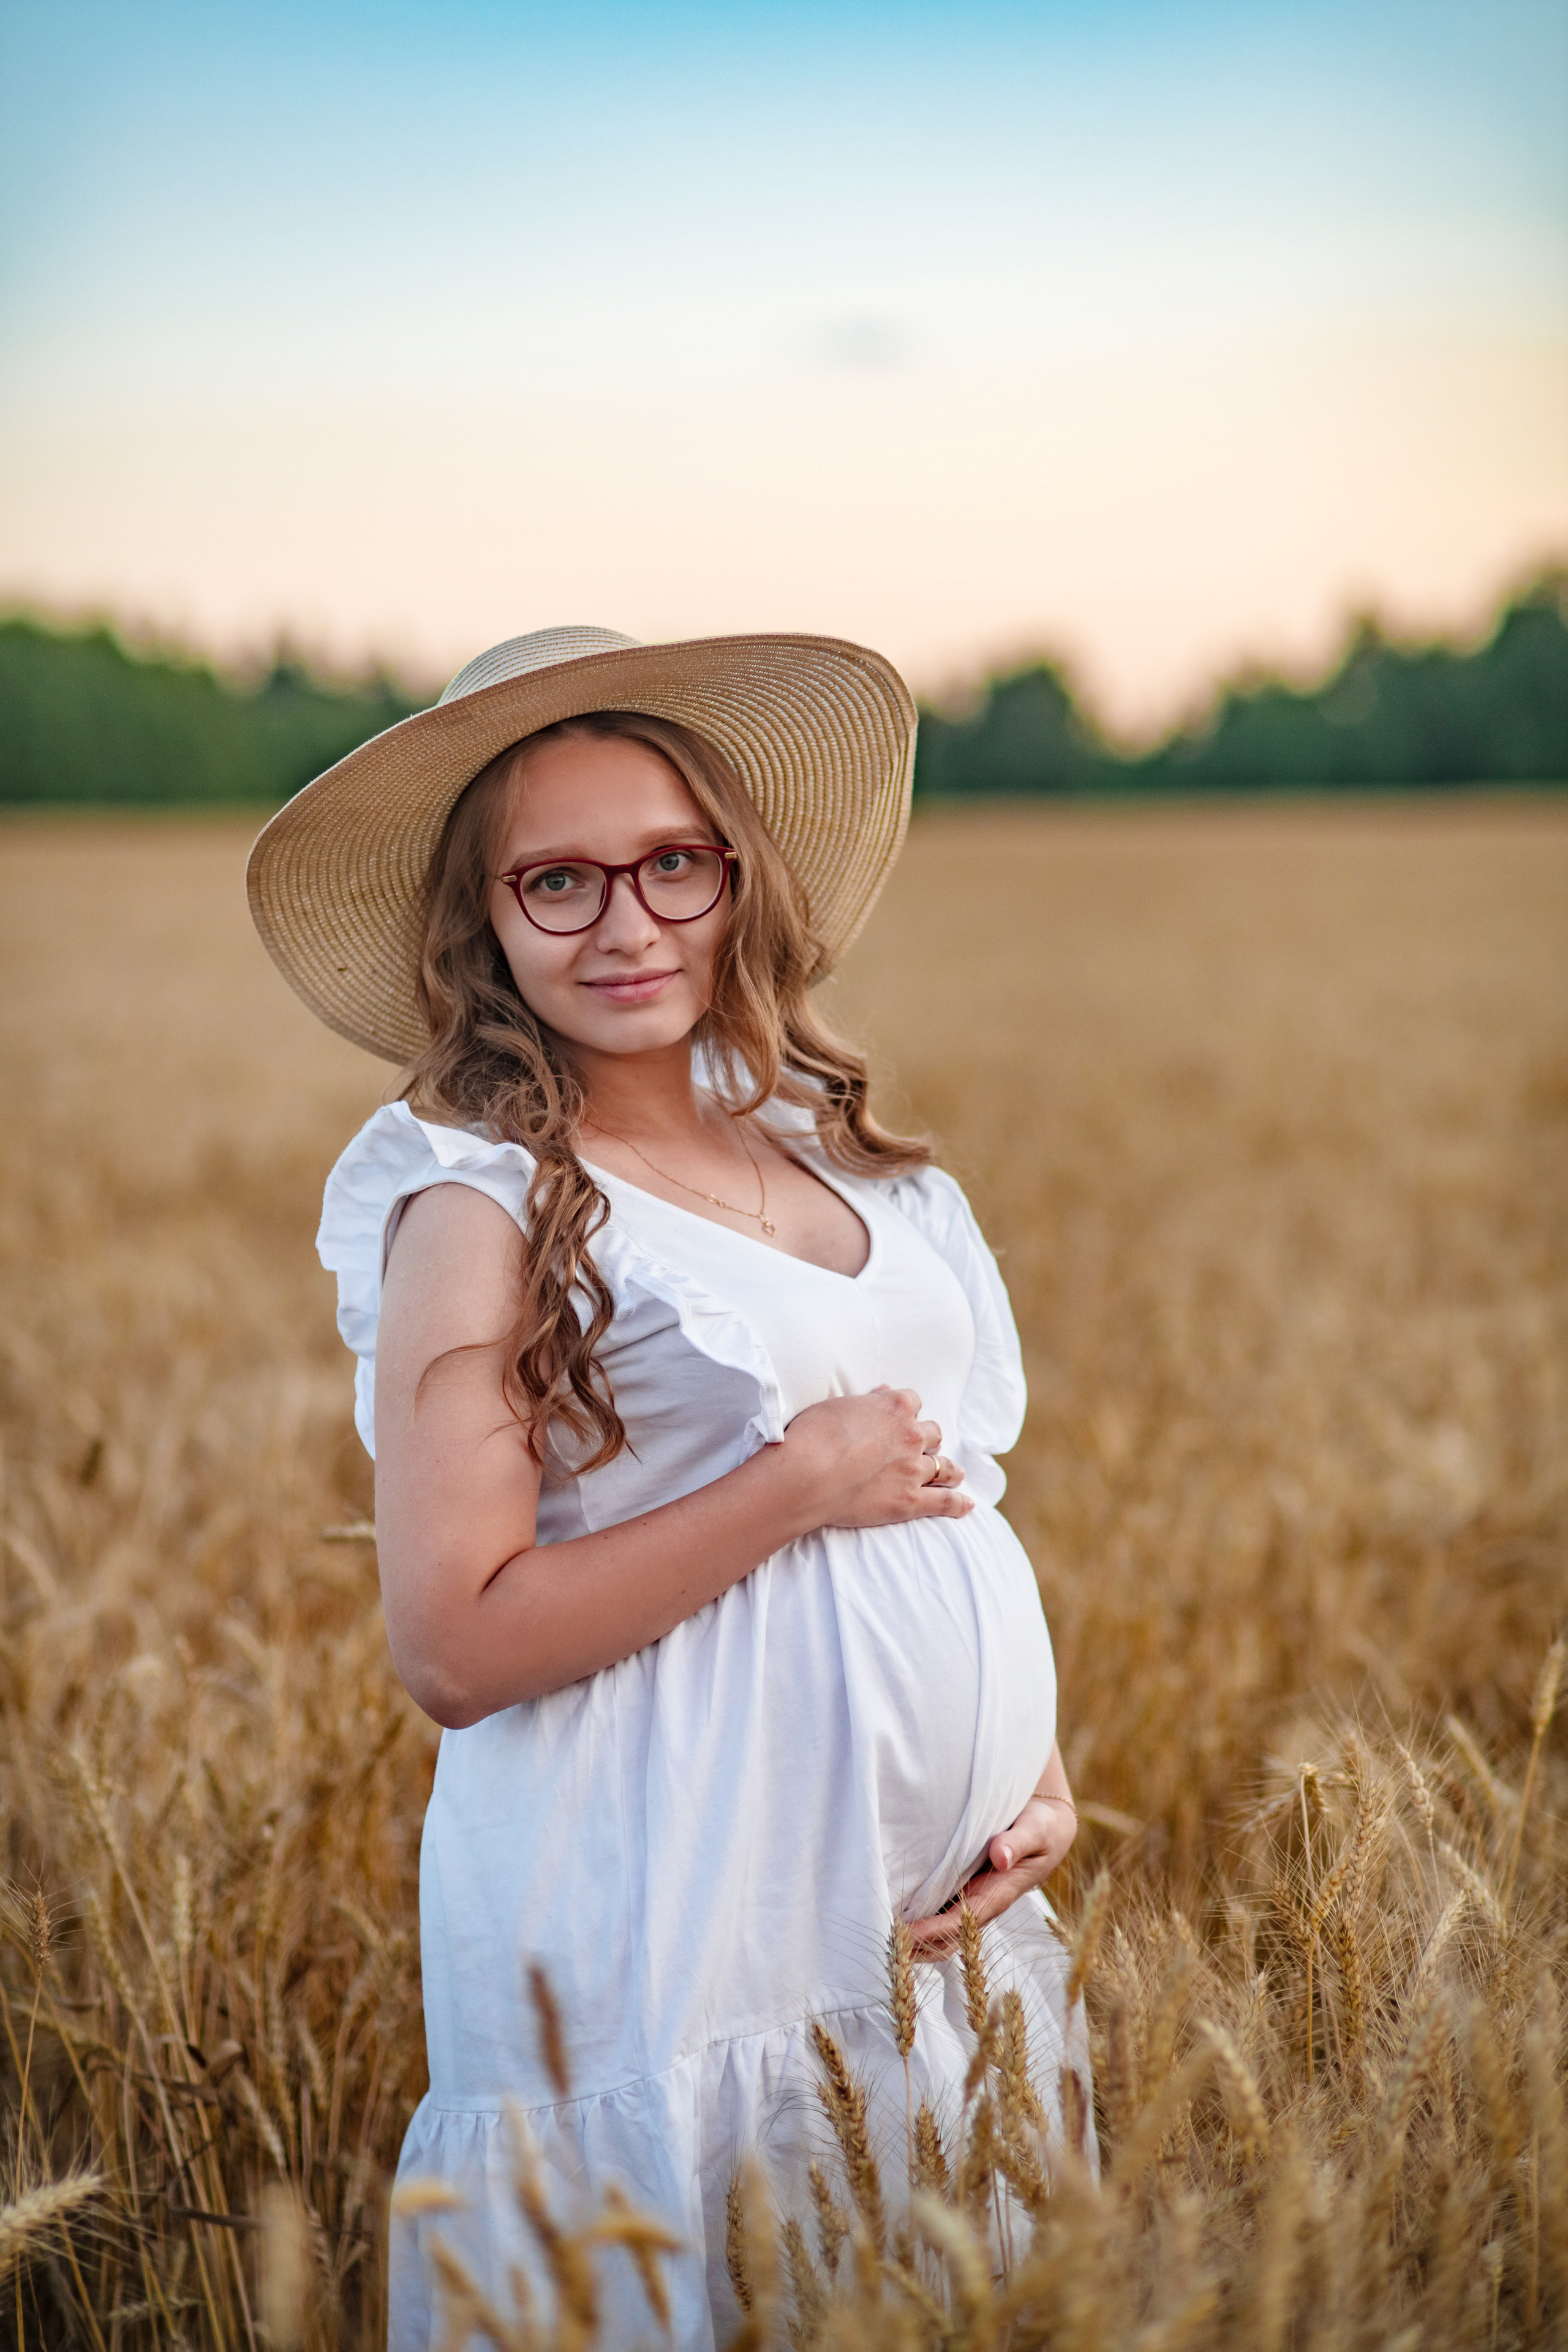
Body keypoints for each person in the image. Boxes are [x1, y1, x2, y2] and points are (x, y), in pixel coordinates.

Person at [247, 625, 1093, 2351]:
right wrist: (787, 1486)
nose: (626, 924)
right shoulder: (472, 1206)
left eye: (669, 865)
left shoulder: (830, 1149)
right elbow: (456, 1645)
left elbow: (946, 1492)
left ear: (737, 879)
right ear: (481, 922)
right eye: (557, 881)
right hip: (676, 1934)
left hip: (922, 1947)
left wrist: (1028, 1771)